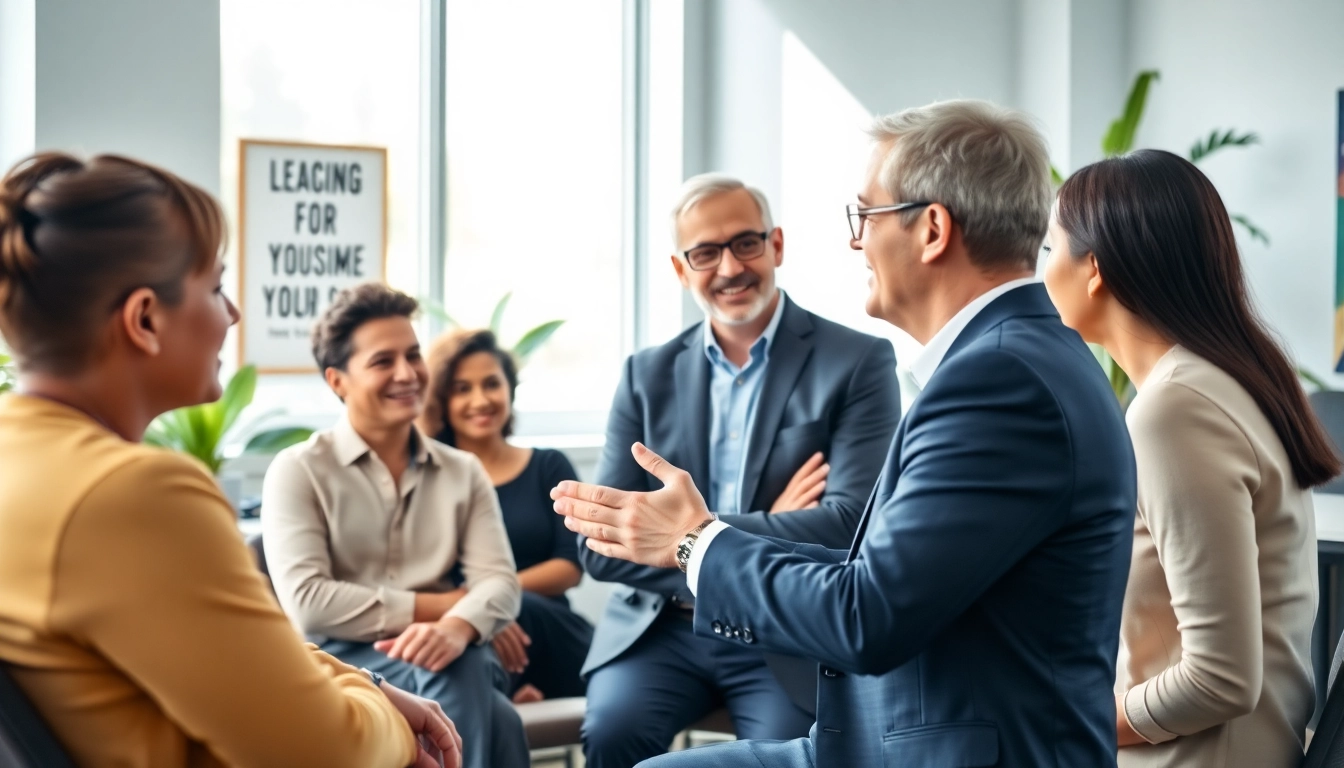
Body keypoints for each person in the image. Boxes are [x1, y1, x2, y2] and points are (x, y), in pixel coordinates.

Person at [554, 100, 1138, 767]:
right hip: (889, 733)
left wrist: (697, 540)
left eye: (866, 214)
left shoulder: (997, 382)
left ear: (932, 229)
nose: (856, 240)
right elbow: (888, 574)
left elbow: (867, 614)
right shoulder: (1003, 362)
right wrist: (714, 537)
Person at [0, 152, 460, 768]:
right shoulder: (132, 494)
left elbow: (228, 654)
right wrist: (373, 705)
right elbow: (325, 750)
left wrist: (363, 683)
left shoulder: (22, 456)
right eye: (215, 288)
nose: (232, 315)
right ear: (144, 319)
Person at [577, 173, 902, 768]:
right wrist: (765, 527)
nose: (730, 267)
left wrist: (691, 536)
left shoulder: (858, 361)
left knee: (788, 752)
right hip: (662, 631)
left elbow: (853, 525)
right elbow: (599, 546)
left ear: (776, 245)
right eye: (705, 252)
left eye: (746, 244)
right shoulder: (643, 375)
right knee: (611, 732)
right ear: (681, 269)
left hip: (781, 627)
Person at [1044, 148, 1337, 767]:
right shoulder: (1221, 378)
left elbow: (1220, 677)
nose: (1042, 273)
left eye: (1050, 250)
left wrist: (1075, 722)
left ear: (1093, 268)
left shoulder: (1174, 410)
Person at [262, 283, 528, 768]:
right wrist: (448, 608)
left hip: (453, 651)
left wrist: (456, 625)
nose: (407, 374)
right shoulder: (297, 469)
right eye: (383, 361)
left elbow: (501, 583)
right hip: (340, 660)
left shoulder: (462, 470)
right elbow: (311, 605)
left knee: (463, 660)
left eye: (414, 355)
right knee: (498, 716)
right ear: (337, 380)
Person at [419, 327, 593, 703]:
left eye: (491, 384)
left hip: (549, 631)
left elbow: (570, 566)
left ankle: (506, 692)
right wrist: (481, 613)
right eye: (462, 389)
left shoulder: (548, 466)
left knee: (516, 609)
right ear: (442, 401)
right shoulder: (427, 479)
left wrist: (489, 601)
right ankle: (503, 695)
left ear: (510, 390)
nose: (480, 400)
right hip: (464, 636)